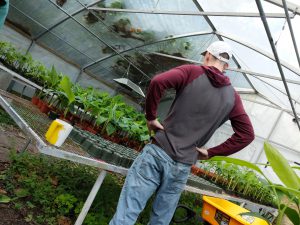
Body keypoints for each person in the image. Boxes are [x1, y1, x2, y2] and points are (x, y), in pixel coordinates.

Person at [109, 41, 254, 225]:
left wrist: (151, 117)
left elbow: (157, 81)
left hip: (158, 152)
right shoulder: (233, 98)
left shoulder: (192, 72)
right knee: (160, 220)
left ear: (208, 55)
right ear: (226, 66)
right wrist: (211, 152)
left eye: (204, 56)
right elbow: (247, 135)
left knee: (126, 214)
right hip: (182, 165)